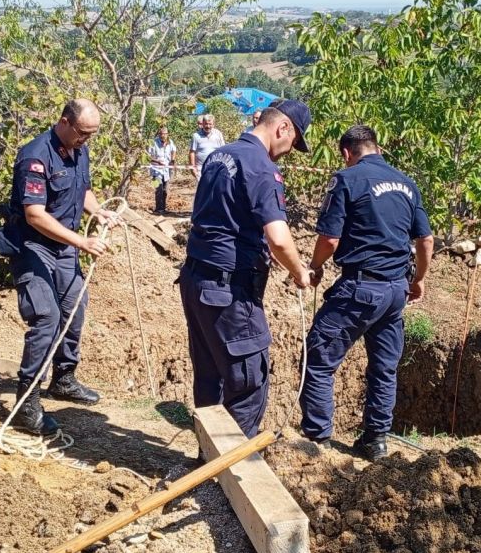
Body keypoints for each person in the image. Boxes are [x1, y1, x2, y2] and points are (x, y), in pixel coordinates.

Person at [297, 125, 434, 460]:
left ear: (346, 153)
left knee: (318, 359)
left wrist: (313, 268)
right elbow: (425, 240)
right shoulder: (407, 183)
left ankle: (317, 442)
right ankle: (375, 441)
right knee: (384, 368)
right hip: (395, 291)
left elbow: (330, 239)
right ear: (378, 148)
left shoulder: (347, 179)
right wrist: (418, 279)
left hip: (360, 288)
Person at [180, 99, 313, 438]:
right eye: (293, 142)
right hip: (229, 290)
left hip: (197, 279)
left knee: (210, 376)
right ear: (282, 128)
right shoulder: (261, 167)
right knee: (248, 380)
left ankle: (207, 462)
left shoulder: (218, 156)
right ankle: (234, 473)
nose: (288, 151)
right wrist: (300, 273)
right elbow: (279, 239)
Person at [0, 99, 114, 435]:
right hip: (32, 245)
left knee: (74, 308)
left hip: (64, 248)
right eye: (83, 133)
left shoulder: (79, 149)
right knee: (46, 316)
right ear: (64, 122)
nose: (86, 140)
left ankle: (63, 379)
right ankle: (27, 401)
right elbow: (35, 215)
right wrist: (83, 242)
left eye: (92, 135)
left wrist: (97, 212)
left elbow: (82, 190)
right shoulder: (35, 156)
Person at [148, 124, 176, 213]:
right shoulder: (153, 143)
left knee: (165, 190)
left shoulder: (170, 142)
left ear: (167, 134)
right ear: (159, 134)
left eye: (165, 134)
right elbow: (147, 157)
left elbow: (174, 150)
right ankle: (158, 208)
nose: (163, 135)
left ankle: (163, 208)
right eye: (161, 134)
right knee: (158, 189)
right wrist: (157, 162)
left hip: (167, 170)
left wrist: (173, 159)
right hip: (156, 171)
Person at [189, 113, 225, 178]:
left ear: (213, 124)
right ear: (202, 124)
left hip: (216, 168)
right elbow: (192, 152)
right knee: (202, 188)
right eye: (206, 124)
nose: (208, 126)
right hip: (200, 169)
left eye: (210, 124)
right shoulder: (196, 136)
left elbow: (223, 150)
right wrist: (192, 167)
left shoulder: (218, 134)